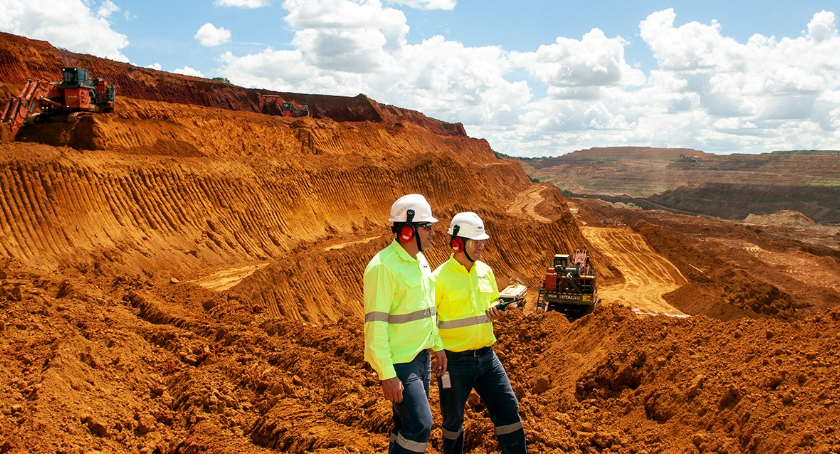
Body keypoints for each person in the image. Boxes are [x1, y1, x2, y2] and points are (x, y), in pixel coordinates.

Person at [432, 212, 527, 454]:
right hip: (453, 364)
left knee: (508, 409)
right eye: (476, 241)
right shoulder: (438, 279)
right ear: (457, 243)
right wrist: (437, 351)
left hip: (487, 358)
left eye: (482, 241)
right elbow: (428, 322)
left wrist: (499, 312)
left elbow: (493, 303)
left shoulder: (486, 272)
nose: (481, 246)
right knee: (452, 422)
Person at [364, 194, 448, 453]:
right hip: (401, 363)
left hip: (421, 359)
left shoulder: (420, 261)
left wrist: (437, 345)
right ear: (408, 230)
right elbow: (375, 326)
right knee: (421, 425)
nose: (433, 232)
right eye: (427, 227)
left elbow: (427, 310)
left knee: (405, 424)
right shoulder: (382, 267)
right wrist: (386, 373)